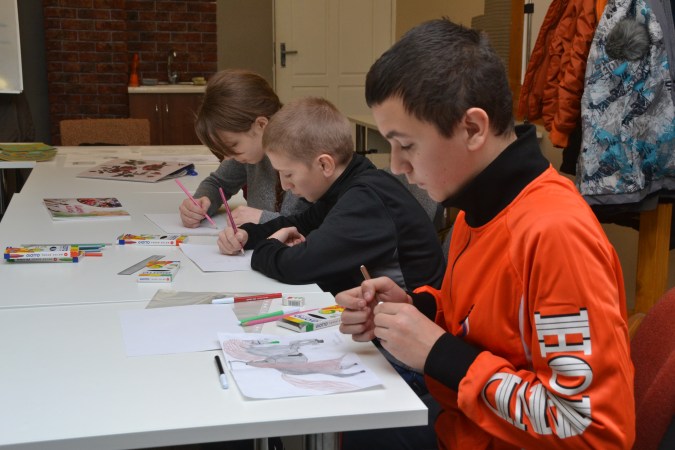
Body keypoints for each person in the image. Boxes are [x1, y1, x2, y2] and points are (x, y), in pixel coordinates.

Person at [337, 19, 635, 450]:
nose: (396, 166)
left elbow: (588, 428)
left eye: (407, 144)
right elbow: (484, 323)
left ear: (473, 129)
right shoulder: (475, 208)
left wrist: (438, 353)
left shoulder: (556, 234)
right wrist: (415, 310)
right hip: (465, 425)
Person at [217, 96, 445, 297]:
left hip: (410, 320)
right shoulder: (347, 184)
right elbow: (300, 223)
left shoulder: (365, 201)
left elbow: (299, 266)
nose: (285, 186)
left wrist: (267, 247)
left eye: (288, 174)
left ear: (325, 165)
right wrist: (248, 235)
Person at [179, 69, 310, 228]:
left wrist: (261, 219)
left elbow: (308, 224)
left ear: (261, 125)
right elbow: (218, 183)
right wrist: (201, 202)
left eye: (233, 145)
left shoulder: (303, 153)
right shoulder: (251, 149)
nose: (228, 157)